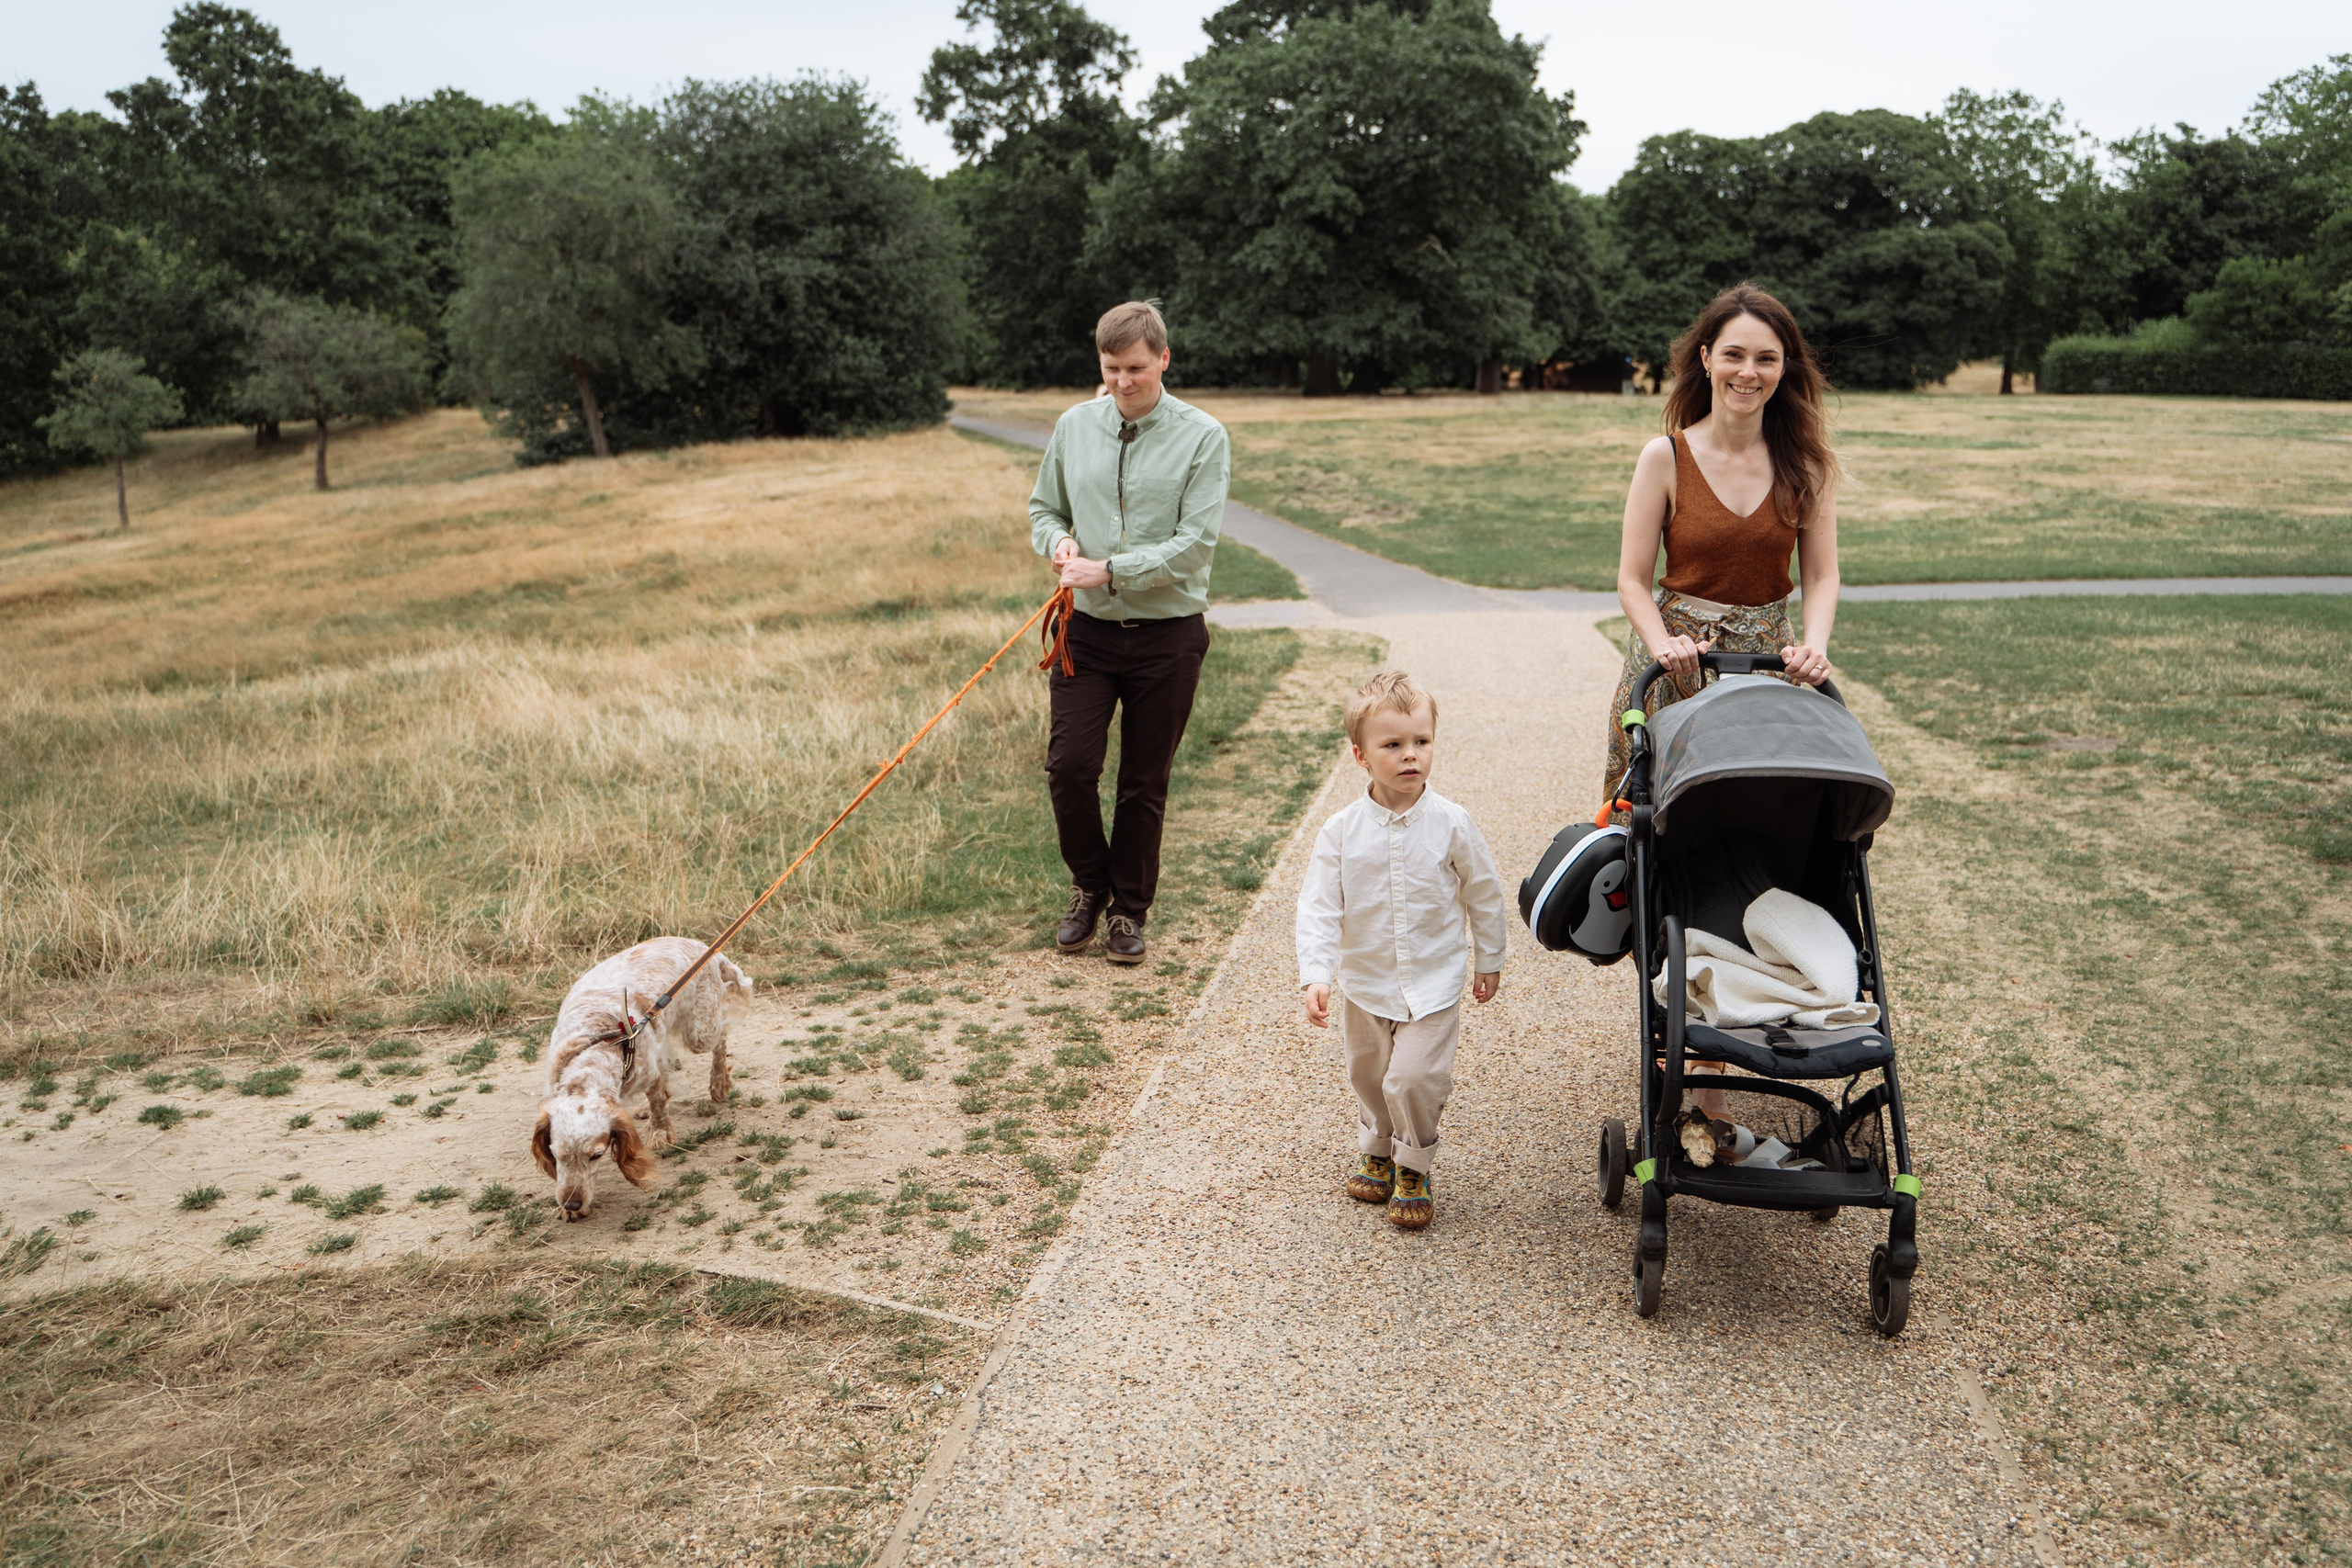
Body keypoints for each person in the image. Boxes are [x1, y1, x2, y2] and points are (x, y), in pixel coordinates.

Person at [1030, 300, 1232, 965]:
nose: (1123, 381)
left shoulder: (1204, 436)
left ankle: (1128, 911)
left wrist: (1110, 569)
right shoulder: (1073, 425)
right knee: (1070, 767)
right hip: (1084, 634)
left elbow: (1194, 544)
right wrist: (1058, 542)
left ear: (1164, 359)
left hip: (1167, 636)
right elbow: (1044, 508)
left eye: (1137, 368)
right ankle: (1089, 886)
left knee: (1144, 782)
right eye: (1111, 368)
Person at [1600, 281, 1842, 814]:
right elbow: (1633, 580)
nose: (1748, 372)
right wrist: (1664, 644)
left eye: (1766, 359)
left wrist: (1815, 648)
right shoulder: (1664, 458)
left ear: (1785, 368)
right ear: (1707, 359)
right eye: (1734, 354)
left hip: (1766, 666)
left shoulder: (1807, 466)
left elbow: (1822, 575)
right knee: (1650, 813)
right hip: (1671, 662)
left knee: (1760, 813)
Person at [1295, 671, 1507, 1231]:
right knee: (1368, 1072)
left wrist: (1489, 957)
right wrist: (1316, 971)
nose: (1410, 755)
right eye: (1393, 745)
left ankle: (1414, 1162)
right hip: (1366, 982)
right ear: (1361, 755)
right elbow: (1319, 906)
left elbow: (1483, 892)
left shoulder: (1452, 823)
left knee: (1412, 1078)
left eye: (1421, 742)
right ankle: (1378, 1143)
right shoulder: (1340, 833)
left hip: (1434, 982)